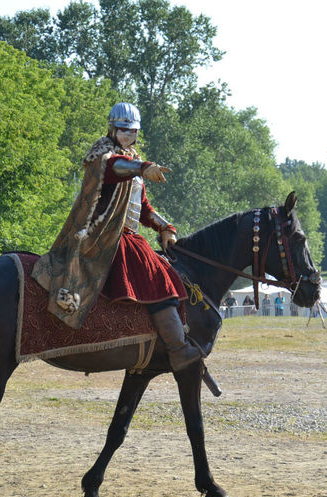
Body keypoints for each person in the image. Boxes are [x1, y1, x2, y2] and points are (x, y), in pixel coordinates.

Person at [32, 102, 201, 373]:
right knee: (159, 278)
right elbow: (115, 169)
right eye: (122, 130)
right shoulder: (103, 155)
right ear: (112, 128)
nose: (127, 135)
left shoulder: (132, 160)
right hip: (103, 235)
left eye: (132, 131)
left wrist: (165, 227)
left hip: (128, 233)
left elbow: (143, 207)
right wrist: (142, 166)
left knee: (165, 270)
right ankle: (178, 350)